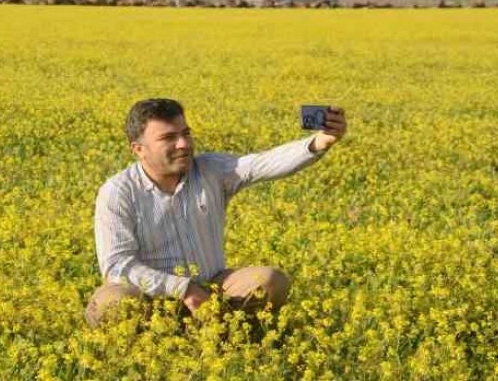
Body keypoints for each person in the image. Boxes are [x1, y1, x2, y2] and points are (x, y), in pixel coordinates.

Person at [85, 98, 347, 327]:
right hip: (151, 298)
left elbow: (259, 164)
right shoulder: (118, 192)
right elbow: (117, 266)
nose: (183, 144)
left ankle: (220, 335)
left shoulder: (210, 170)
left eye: (186, 133)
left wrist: (318, 142)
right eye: (168, 138)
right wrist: (182, 288)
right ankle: (154, 343)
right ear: (138, 149)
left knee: (270, 281)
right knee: (113, 301)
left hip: (211, 289)